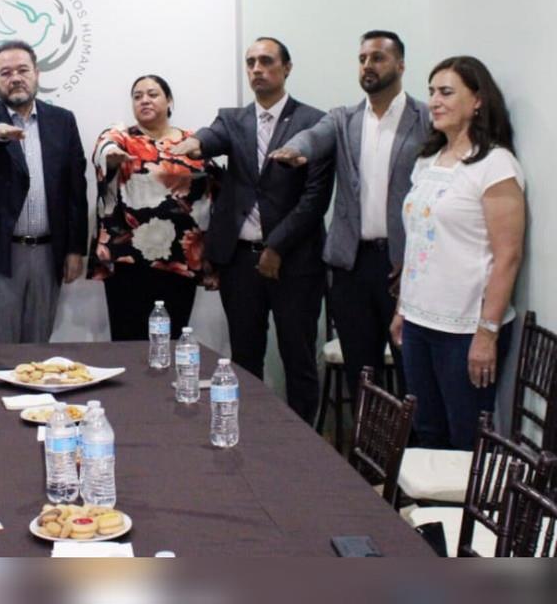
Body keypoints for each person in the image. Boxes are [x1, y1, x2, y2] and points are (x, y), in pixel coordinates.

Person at [173, 37, 334, 423]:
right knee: (245, 357)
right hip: (240, 264)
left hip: (295, 261)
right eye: (250, 63)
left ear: (287, 68)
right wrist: (192, 143)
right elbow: (210, 137)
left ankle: (301, 445)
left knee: (298, 356)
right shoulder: (233, 119)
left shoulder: (316, 122)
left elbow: (315, 199)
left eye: (266, 61)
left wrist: (276, 247)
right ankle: (253, 434)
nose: (257, 69)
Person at [269, 31, 431, 401]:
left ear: (400, 65)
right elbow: (314, 137)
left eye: (378, 58)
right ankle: (365, 456)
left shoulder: (424, 119)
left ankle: (410, 454)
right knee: (362, 373)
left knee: (413, 374)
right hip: (352, 266)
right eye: (362, 59)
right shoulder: (344, 118)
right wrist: (294, 150)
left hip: (402, 266)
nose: (368, 66)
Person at [389, 56, 525, 451]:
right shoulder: (428, 160)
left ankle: (462, 514)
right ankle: (431, 514)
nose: (434, 100)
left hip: (465, 328)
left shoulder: (495, 165)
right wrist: (403, 308)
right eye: (432, 91)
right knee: (427, 429)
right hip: (418, 321)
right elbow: (418, 242)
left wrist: (487, 334)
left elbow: (508, 257)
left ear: (478, 100)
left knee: (465, 437)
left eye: (446, 92)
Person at [0, 40, 88, 344]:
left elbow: (76, 188)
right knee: (0, 346)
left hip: (49, 252)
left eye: (22, 70)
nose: (15, 77)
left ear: (37, 74)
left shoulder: (63, 121)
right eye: (5, 72)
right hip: (0, 251)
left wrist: (75, 249)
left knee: (39, 342)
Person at [88, 74, 217, 340]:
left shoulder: (192, 143)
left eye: (152, 94)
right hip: (129, 259)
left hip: (180, 259)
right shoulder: (122, 137)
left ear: (169, 101)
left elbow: (216, 193)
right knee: (128, 343)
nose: (144, 100)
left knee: (171, 342)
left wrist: (213, 262)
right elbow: (104, 147)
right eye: (137, 96)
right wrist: (111, 155)